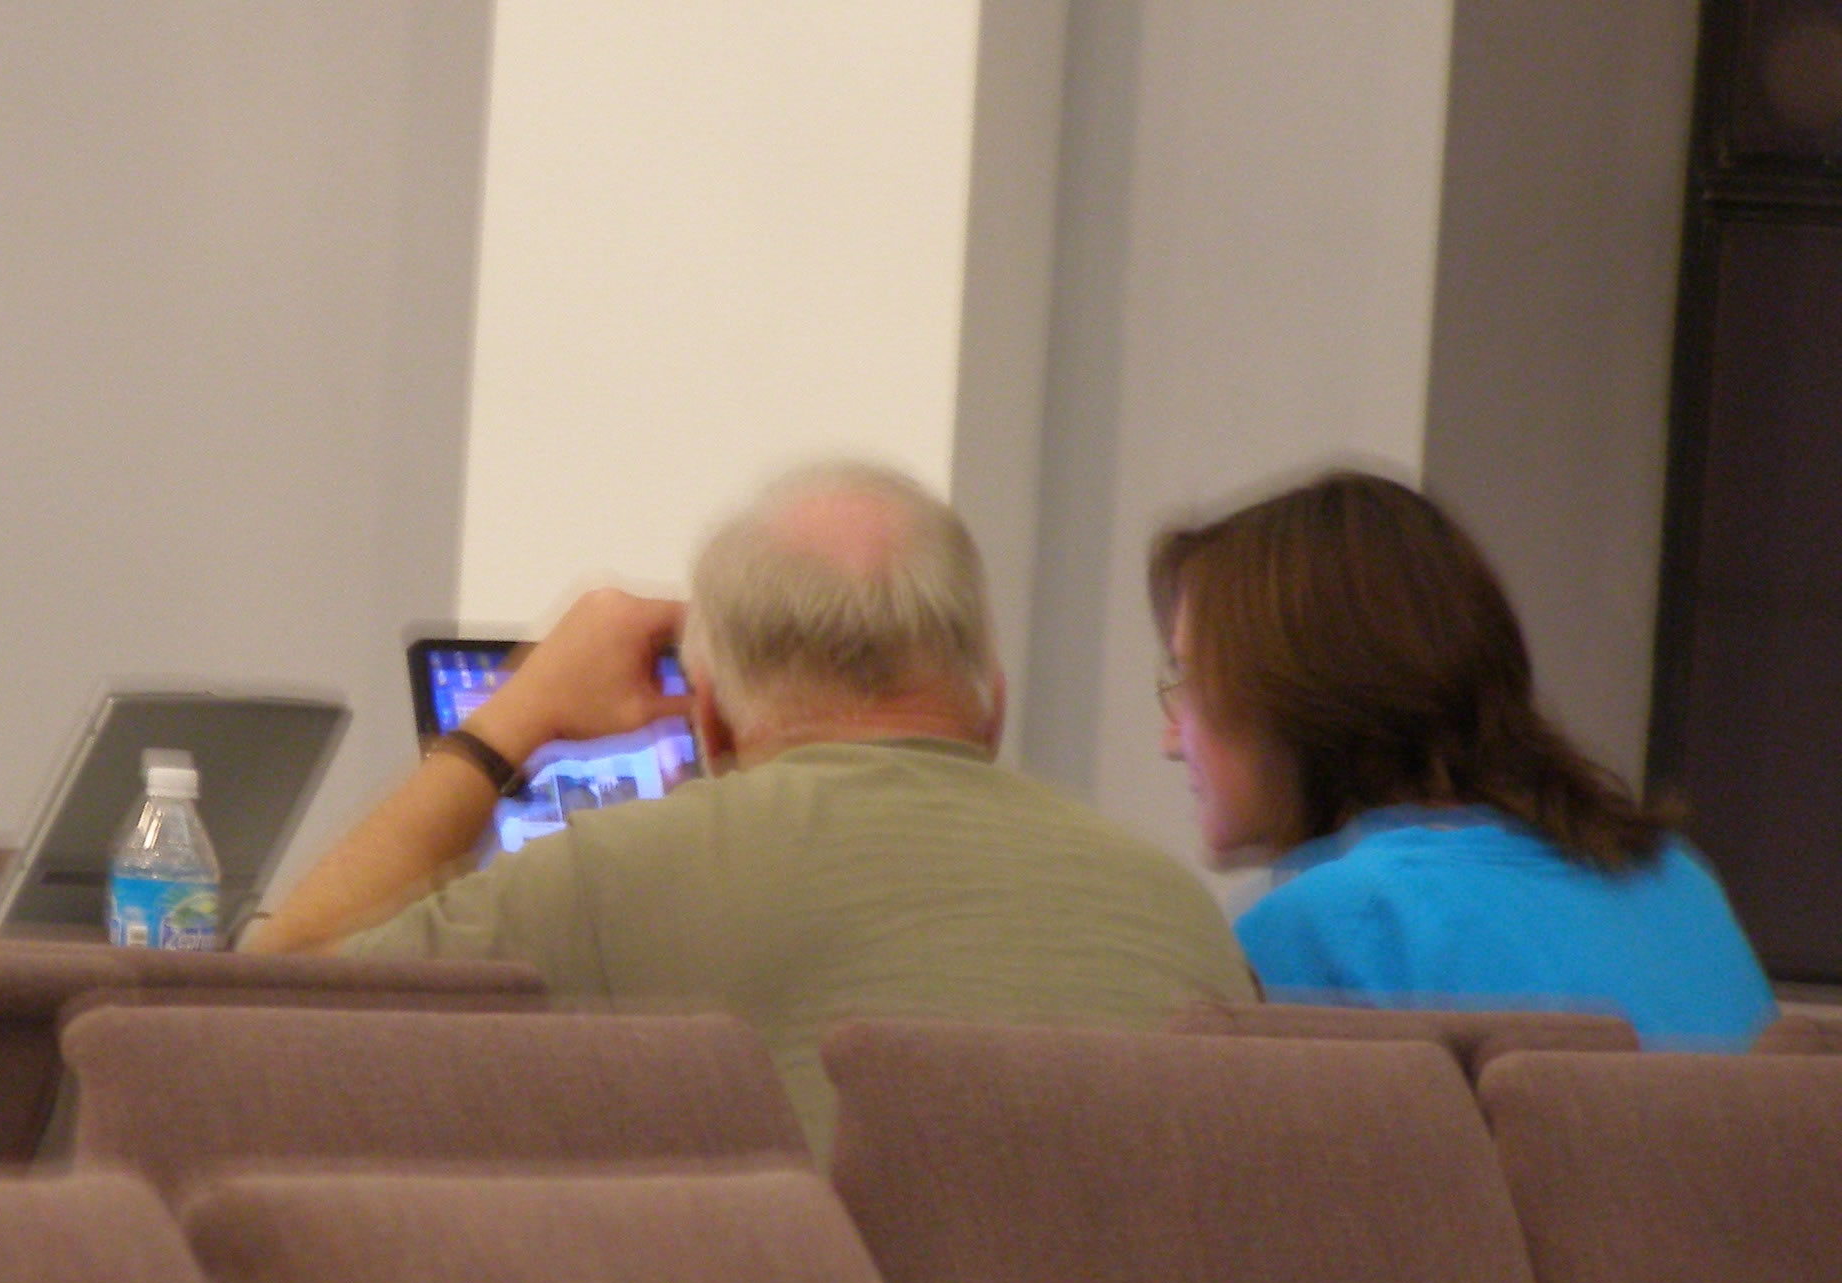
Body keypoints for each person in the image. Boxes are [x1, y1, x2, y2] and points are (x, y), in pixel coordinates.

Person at [250, 460, 1253, 1151]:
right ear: (991, 706)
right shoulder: (1180, 913)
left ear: (712, 725)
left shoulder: (618, 877)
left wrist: (517, 714)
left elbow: (259, 1014)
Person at [1149, 468, 1774, 1048]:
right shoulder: (1676, 877)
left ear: (1297, 696)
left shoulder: (1320, 928)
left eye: (1191, 678)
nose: (1171, 740)